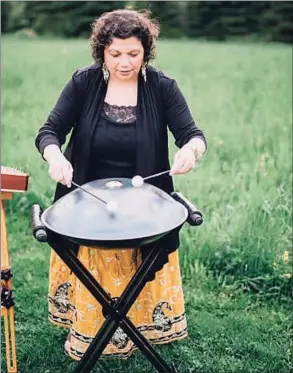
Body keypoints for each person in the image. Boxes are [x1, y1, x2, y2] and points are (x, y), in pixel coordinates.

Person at [35, 8, 207, 361]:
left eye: (133, 53)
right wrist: (55, 157)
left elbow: (193, 135)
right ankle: (91, 328)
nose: (124, 62)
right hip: (87, 201)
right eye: (115, 54)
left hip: (145, 205)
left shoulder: (162, 87)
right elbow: (49, 132)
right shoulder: (84, 83)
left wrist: (191, 151)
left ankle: (136, 330)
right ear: (102, 52)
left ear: (146, 51)